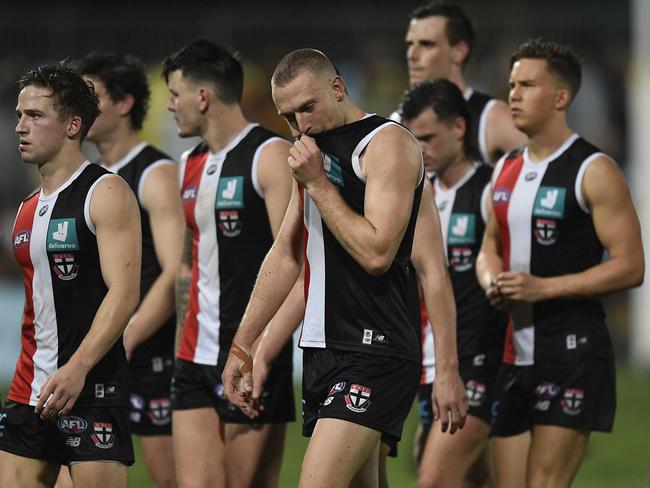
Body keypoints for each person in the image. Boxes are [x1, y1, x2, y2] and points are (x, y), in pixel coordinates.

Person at [222, 48, 466, 488]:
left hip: (376, 349)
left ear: (337, 87)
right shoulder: (310, 151)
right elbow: (287, 254)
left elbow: (377, 254)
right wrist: (244, 347)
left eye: (308, 107)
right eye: (289, 116)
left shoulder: (386, 144)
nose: (302, 125)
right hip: (323, 349)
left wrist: (317, 182)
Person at [476, 39, 644, 488]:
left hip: (572, 350)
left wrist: (544, 289)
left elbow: (631, 266)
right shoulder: (504, 168)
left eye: (527, 84)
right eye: (512, 84)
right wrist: (492, 279)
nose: (513, 93)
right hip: (513, 353)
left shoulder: (594, 169)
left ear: (560, 98)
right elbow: (488, 246)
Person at [163, 39, 298, 488]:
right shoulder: (189, 163)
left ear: (203, 97)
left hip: (251, 357)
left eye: (175, 94)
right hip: (192, 358)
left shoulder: (269, 156)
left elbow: (297, 263)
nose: (169, 106)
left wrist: (262, 353)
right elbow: (188, 261)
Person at [0, 64, 141, 487]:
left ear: (72, 125)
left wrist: (77, 368)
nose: (20, 126)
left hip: (92, 388)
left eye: (36, 116)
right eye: (19, 115)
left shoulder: (106, 192)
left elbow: (124, 293)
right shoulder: (25, 209)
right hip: (29, 390)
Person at [77, 52, 185, 488]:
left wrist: (130, 333)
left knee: (169, 479)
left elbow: (176, 267)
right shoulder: (86, 178)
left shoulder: (154, 172)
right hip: (101, 348)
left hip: (146, 350)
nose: (80, 108)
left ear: (124, 104)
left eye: (92, 97)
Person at [399, 79, 506, 487]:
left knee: (434, 480)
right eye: (414, 139)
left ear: (460, 128)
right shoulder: (416, 195)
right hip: (428, 366)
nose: (420, 149)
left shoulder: (491, 189)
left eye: (428, 137)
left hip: (477, 360)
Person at [396, 2, 525, 163]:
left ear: (459, 52)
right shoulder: (397, 122)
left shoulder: (492, 119)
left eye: (426, 44)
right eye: (410, 44)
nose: (411, 55)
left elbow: (542, 170)